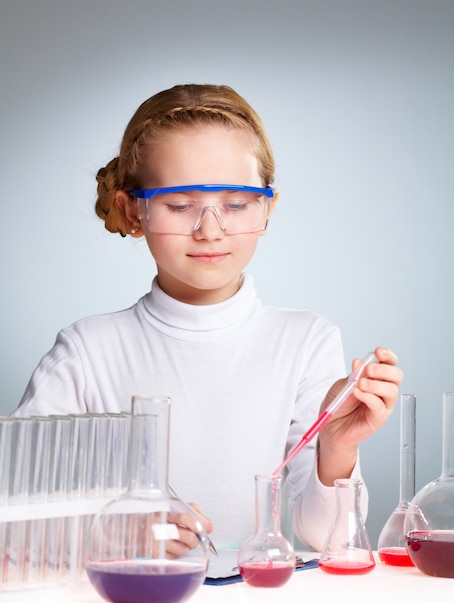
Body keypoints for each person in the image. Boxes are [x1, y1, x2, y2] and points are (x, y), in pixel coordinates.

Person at [11, 84, 403, 552]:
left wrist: (336, 449)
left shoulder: (305, 340)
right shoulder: (87, 351)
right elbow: (14, 518)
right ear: (132, 209)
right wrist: (109, 533)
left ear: (268, 207)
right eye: (180, 205)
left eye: (236, 204)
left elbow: (328, 538)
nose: (211, 230)